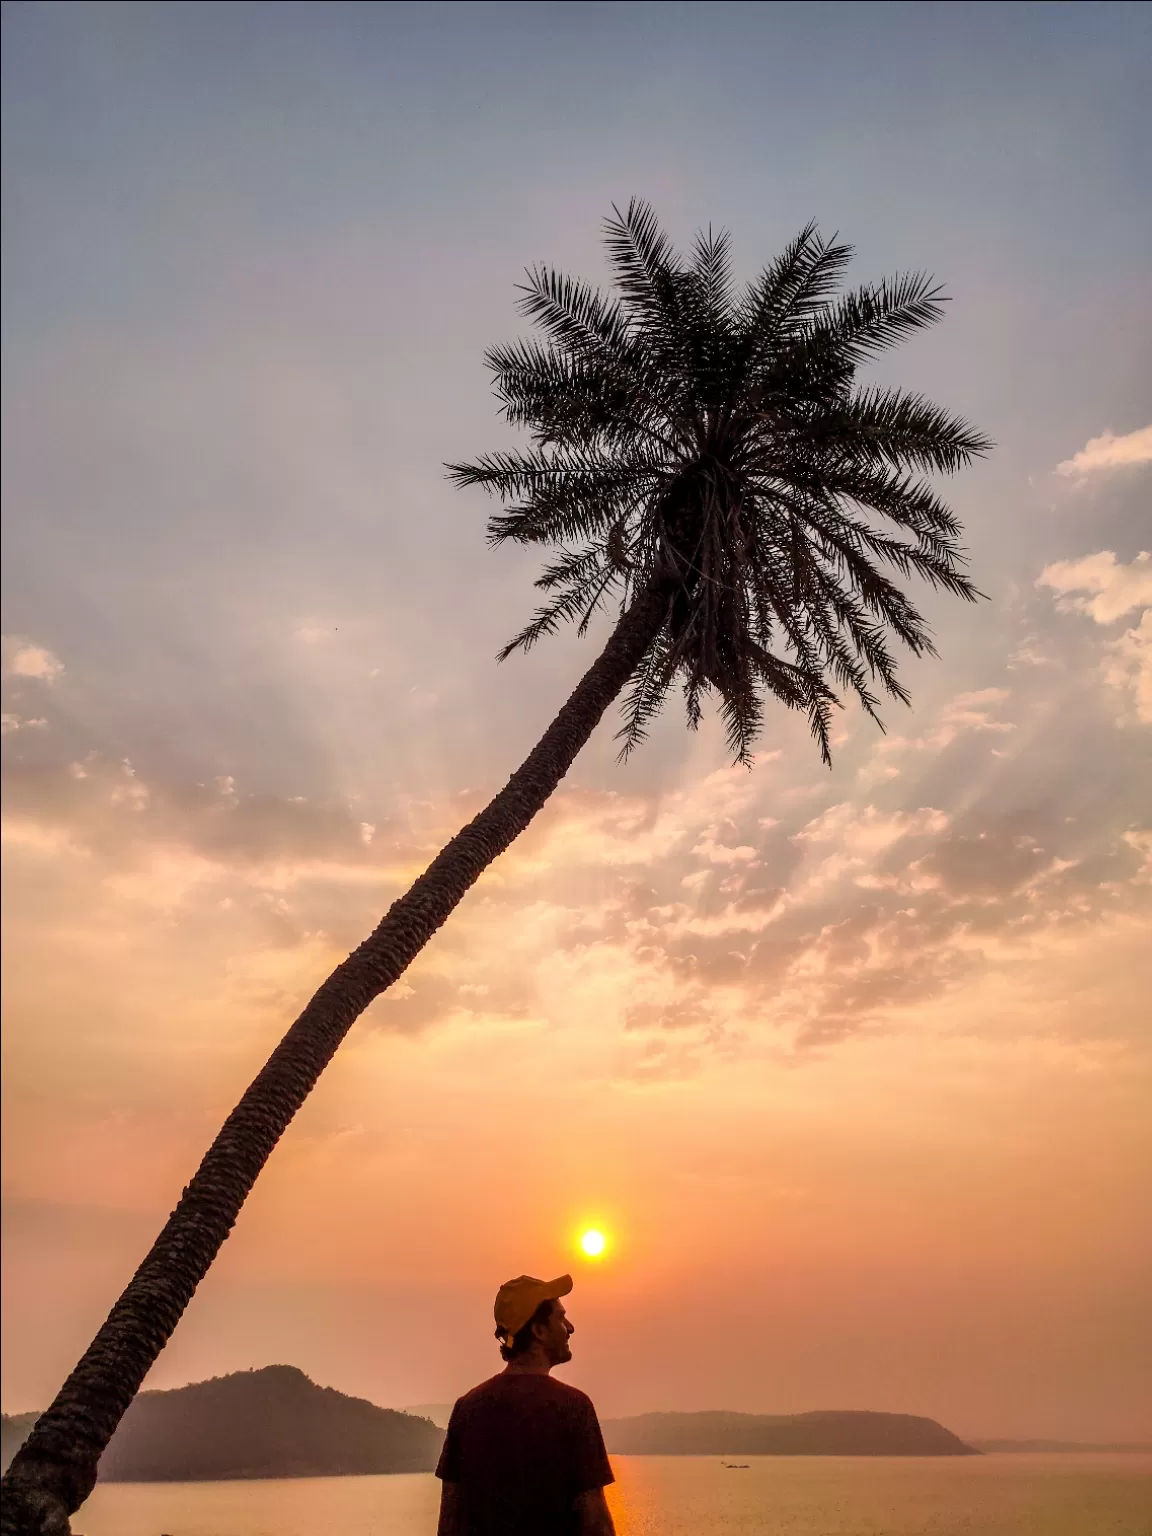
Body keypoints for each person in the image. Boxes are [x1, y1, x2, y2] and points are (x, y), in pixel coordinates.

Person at [435, 1273, 616, 1535]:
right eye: (561, 1318)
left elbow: (449, 1520)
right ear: (539, 1331)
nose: (570, 1327)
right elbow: (596, 1520)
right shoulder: (573, 1407)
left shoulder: (467, 1408)